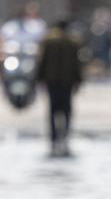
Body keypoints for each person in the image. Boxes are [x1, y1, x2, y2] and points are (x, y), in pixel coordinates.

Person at [35, 19, 83, 156]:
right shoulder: (72, 42)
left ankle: (54, 137)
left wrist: (39, 79)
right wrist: (79, 81)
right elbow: (77, 64)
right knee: (66, 110)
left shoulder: (48, 42)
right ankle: (65, 135)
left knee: (52, 110)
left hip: (52, 81)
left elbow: (42, 62)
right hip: (67, 82)